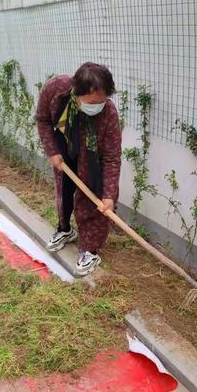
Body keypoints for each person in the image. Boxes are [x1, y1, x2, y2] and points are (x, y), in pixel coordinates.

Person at [36, 62, 122, 276]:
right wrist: (53, 151)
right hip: (64, 145)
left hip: (92, 157)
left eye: (103, 100)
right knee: (64, 194)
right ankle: (65, 230)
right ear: (76, 92)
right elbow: (43, 120)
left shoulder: (108, 113)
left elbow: (112, 157)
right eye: (92, 102)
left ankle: (90, 249)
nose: (98, 106)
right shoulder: (55, 89)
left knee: (94, 200)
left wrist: (109, 195)